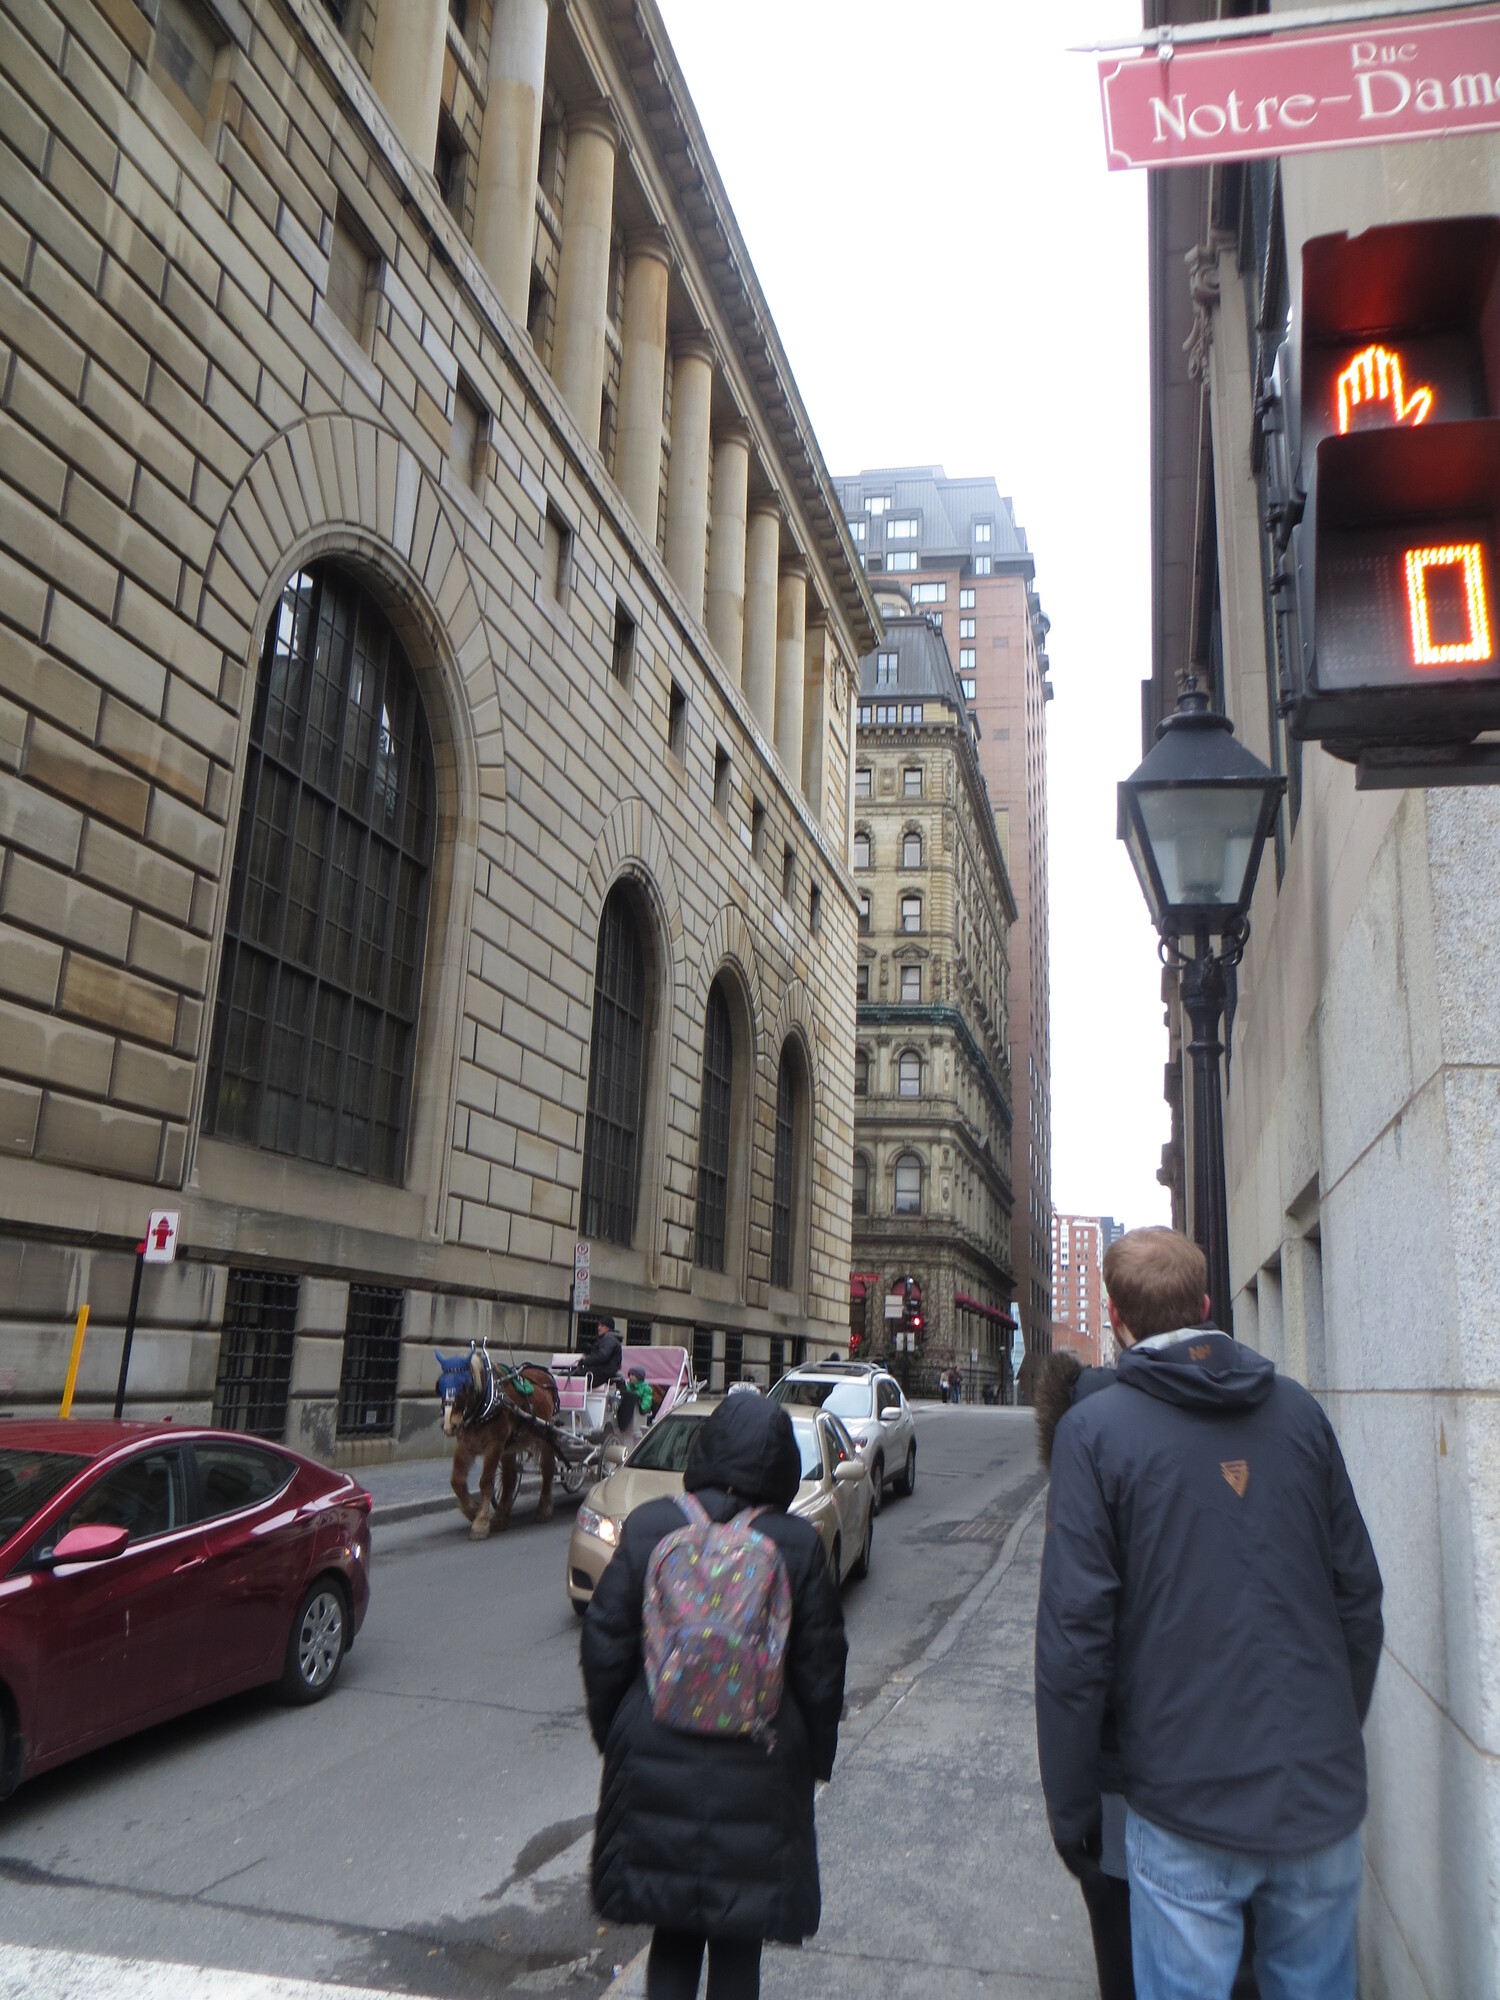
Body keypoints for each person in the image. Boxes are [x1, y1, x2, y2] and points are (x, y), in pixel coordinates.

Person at [1035, 1227, 1383, 2000]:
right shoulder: (1298, 1412)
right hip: (1318, 1797)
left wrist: (1072, 1805)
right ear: (1203, 1304)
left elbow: (1074, 1640)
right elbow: (1359, 1596)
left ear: (1116, 1317)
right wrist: (1331, 1731)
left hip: (1183, 1805)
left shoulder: (1092, 1433)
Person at [582, 1392, 848, 1999]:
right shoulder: (796, 1543)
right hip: (761, 1765)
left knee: (673, 1935)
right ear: (781, 1463)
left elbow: (604, 1640)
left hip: (656, 1757)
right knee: (738, 1944)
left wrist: (619, 1732)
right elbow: (822, 1667)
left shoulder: (652, 1526)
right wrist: (811, 1758)